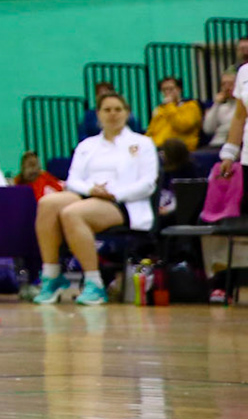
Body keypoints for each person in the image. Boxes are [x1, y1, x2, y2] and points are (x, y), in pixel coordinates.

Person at [32, 91, 159, 305]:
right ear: (98, 114)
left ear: (127, 113)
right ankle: (52, 275)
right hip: (89, 196)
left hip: (124, 202)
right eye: (107, 110)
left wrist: (115, 193)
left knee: (72, 213)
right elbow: (73, 179)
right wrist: (92, 190)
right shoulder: (87, 145)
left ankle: (95, 283)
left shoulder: (143, 143)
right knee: (47, 203)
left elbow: (148, 183)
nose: (112, 114)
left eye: (118, 109)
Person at [145, 77, 201, 152]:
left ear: (179, 89)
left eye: (171, 89)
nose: (167, 92)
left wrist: (170, 105)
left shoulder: (191, 105)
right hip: (157, 146)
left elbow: (182, 126)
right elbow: (151, 131)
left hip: (178, 148)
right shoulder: (160, 109)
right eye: (164, 90)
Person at [204, 71, 239, 149]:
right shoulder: (220, 107)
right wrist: (216, 104)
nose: (227, 87)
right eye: (224, 84)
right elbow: (208, 129)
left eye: (230, 84)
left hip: (233, 144)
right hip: (216, 144)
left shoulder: (242, 106)